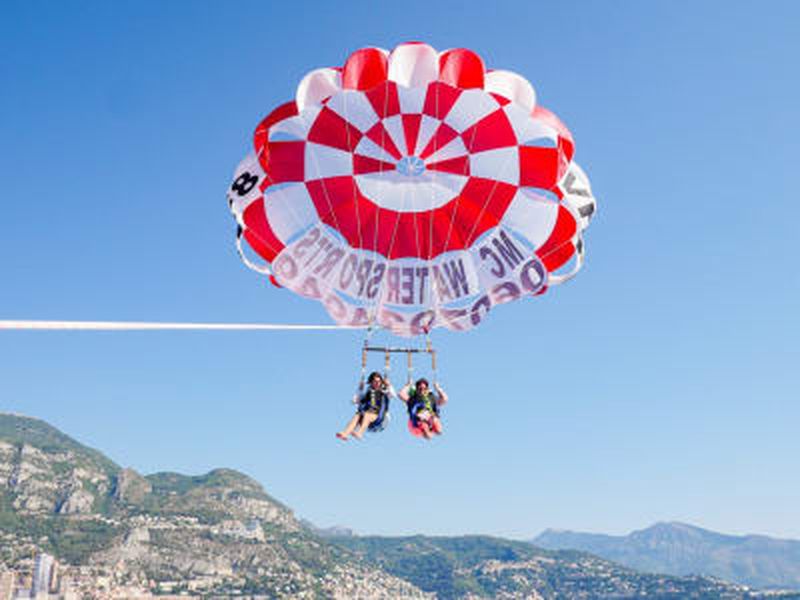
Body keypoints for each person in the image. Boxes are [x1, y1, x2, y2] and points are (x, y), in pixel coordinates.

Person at [336, 372, 394, 441]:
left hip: (380, 417)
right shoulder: (368, 391)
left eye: (379, 381)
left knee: (367, 414)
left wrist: (389, 385)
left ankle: (360, 433)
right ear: (371, 382)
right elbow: (356, 400)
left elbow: (392, 394)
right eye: (375, 381)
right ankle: (345, 433)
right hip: (368, 414)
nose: (377, 383)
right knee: (357, 415)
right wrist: (360, 389)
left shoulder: (384, 390)